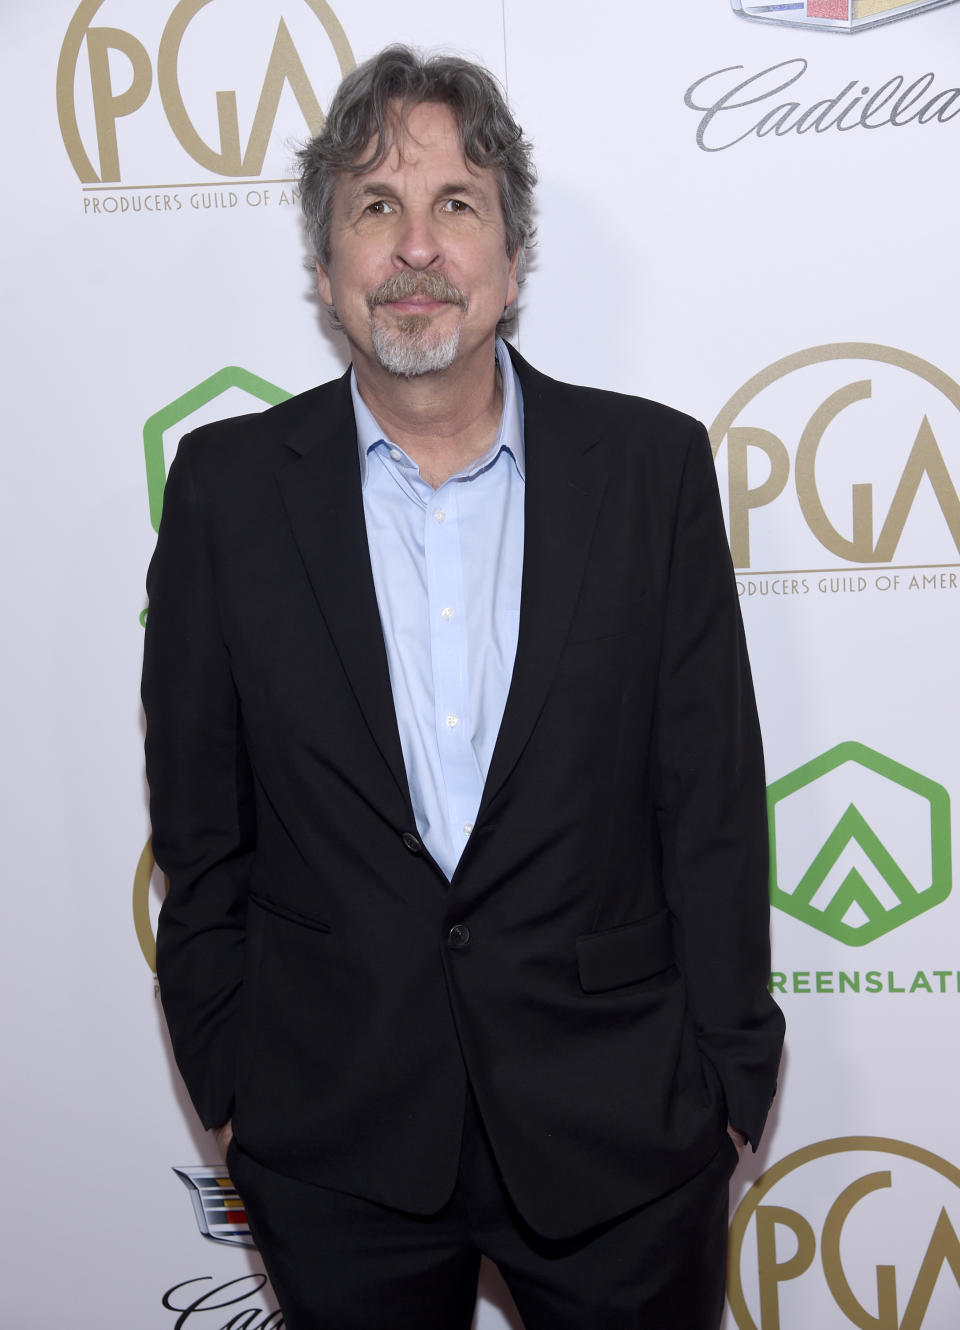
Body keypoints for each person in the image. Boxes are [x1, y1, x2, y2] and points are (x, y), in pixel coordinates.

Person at [142, 44, 784, 1330]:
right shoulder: (227, 493)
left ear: (511, 259)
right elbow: (203, 830)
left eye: (456, 205)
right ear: (326, 270)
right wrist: (231, 1090)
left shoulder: (650, 472)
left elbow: (710, 800)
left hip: (626, 1136)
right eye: (375, 207)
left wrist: (728, 1082)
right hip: (336, 1141)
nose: (417, 246)